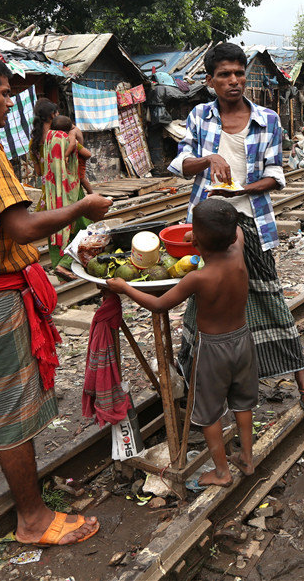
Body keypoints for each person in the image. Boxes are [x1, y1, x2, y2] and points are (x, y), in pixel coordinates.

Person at [0, 51, 112, 546]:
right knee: (9, 408)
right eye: (5, 93)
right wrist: (82, 208)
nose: (12, 103)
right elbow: (21, 226)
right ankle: (32, 519)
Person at [169, 42, 304, 411]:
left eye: (239, 73)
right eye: (224, 74)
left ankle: (299, 373)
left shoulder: (268, 118)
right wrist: (208, 159)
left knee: (267, 294)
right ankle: (196, 379)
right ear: (210, 80)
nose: (234, 80)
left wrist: (243, 189)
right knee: (204, 298)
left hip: (251, 219)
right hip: (207, 221)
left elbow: (275, 172)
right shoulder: (199, 117)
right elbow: (180, 164)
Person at [107, 199, 257, 489]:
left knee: (208, 411)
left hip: (213, 349)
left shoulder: (199, 278)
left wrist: (124, 287)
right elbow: (235, 230)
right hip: (242, 340)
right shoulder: (237, 252)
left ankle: (222, 472)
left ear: (197, 239)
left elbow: (159, 305)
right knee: (242, 402)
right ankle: (247, 459)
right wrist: (201, 237)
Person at [30, 103, 95, 279]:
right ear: (53, 115)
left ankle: (61, 273)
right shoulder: (66, 137)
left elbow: (37, 172)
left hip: (49, 194)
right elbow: (87, 154)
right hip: (71, 190)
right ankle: (67, 265)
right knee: (85, 230)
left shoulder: (34, 143)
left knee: (55, 233)